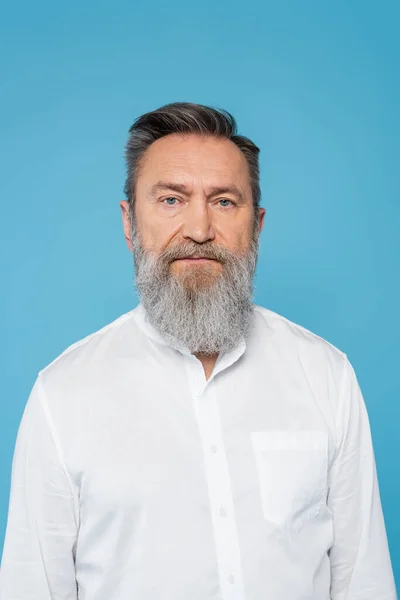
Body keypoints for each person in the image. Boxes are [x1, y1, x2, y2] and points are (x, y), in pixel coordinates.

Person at [0, 102, 397, 600]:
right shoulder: (62, 395)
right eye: (171, 200)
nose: (199, 229)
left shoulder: (327, 376)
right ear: (129, 223)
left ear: (258, 225)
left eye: (225, 202)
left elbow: (366, 584)